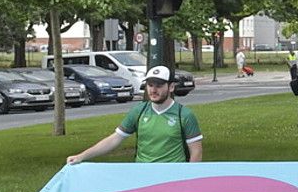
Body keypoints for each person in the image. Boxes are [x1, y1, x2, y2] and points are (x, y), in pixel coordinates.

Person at [67, 66, 203, 164]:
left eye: (159, 85)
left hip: (172, 178)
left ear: (171, 87)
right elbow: (115, 139)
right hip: (142, 176)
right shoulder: (138, 111)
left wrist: (187, 179)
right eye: (150, 85)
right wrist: (82, 156)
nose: (153, 90)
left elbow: (196, 152)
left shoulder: (184, 114)